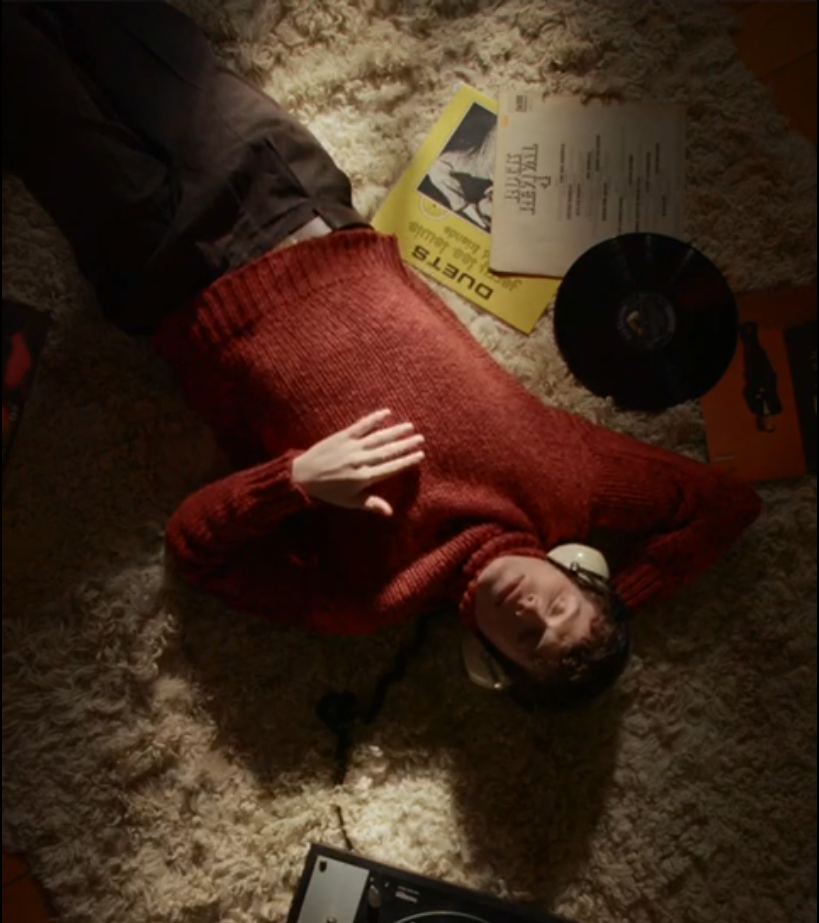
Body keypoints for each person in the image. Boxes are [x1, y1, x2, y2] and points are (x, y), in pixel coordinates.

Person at [2, 1, 762, 714]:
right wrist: (628, 594)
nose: (533, 610)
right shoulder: (572, 484)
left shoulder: (370, 598)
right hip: (286, 196)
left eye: (528, 638)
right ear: (572, 569)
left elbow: (196, 551)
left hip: (168, 276)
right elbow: (722, 505)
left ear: (487, 659)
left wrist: (291, 483)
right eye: (560, 605)